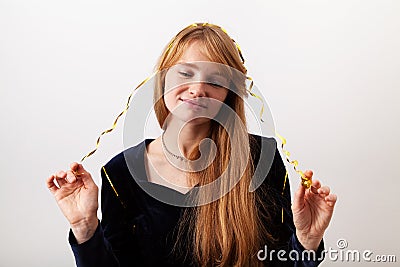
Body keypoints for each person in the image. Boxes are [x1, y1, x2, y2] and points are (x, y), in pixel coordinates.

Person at [46, 23, 337, 267]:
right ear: (162, 79)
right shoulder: (120, 173)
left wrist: (306, 241)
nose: (198, 88)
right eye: (185, 73)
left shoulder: (261, 158)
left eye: (214, 79)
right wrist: (85, 228)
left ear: (228, 93)